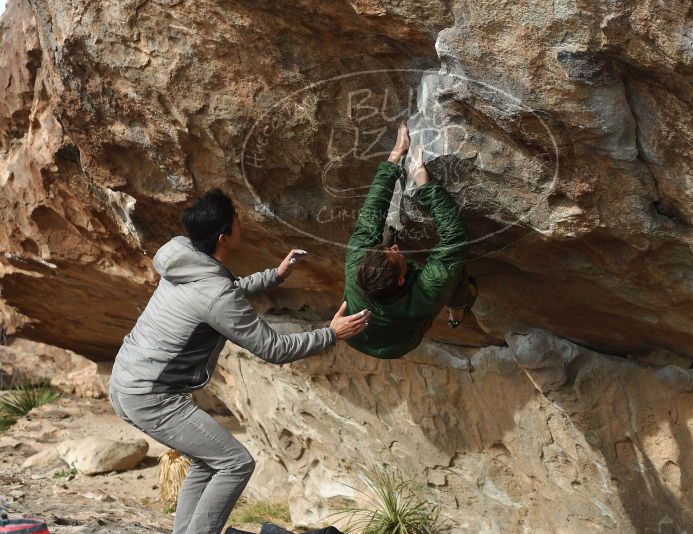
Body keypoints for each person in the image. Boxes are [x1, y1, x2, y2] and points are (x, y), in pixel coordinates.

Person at [108, 190, 370, 534]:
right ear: (223, 237)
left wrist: (274, 276)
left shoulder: (184, 256)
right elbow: (273, 348)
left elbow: (223, 290)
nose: (241, 224)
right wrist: (331, 333)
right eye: (237, 221)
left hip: (127, 382)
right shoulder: (214, 292)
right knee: (236, 463)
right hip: (150, 396)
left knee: (208, 460)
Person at [342, 120, 475, 360]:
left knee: (384, 231)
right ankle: (457, 311)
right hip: (399, 342)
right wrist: (425, 184)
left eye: (386, 251)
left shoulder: (355, 265)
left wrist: (395, 156)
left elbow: (372, 212)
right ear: (402, 279)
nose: (394, 247)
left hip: (356, 336)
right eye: (395, 254)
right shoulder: (426, 293)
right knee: (455, 271)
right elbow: (455, 238)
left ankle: (455, 308)